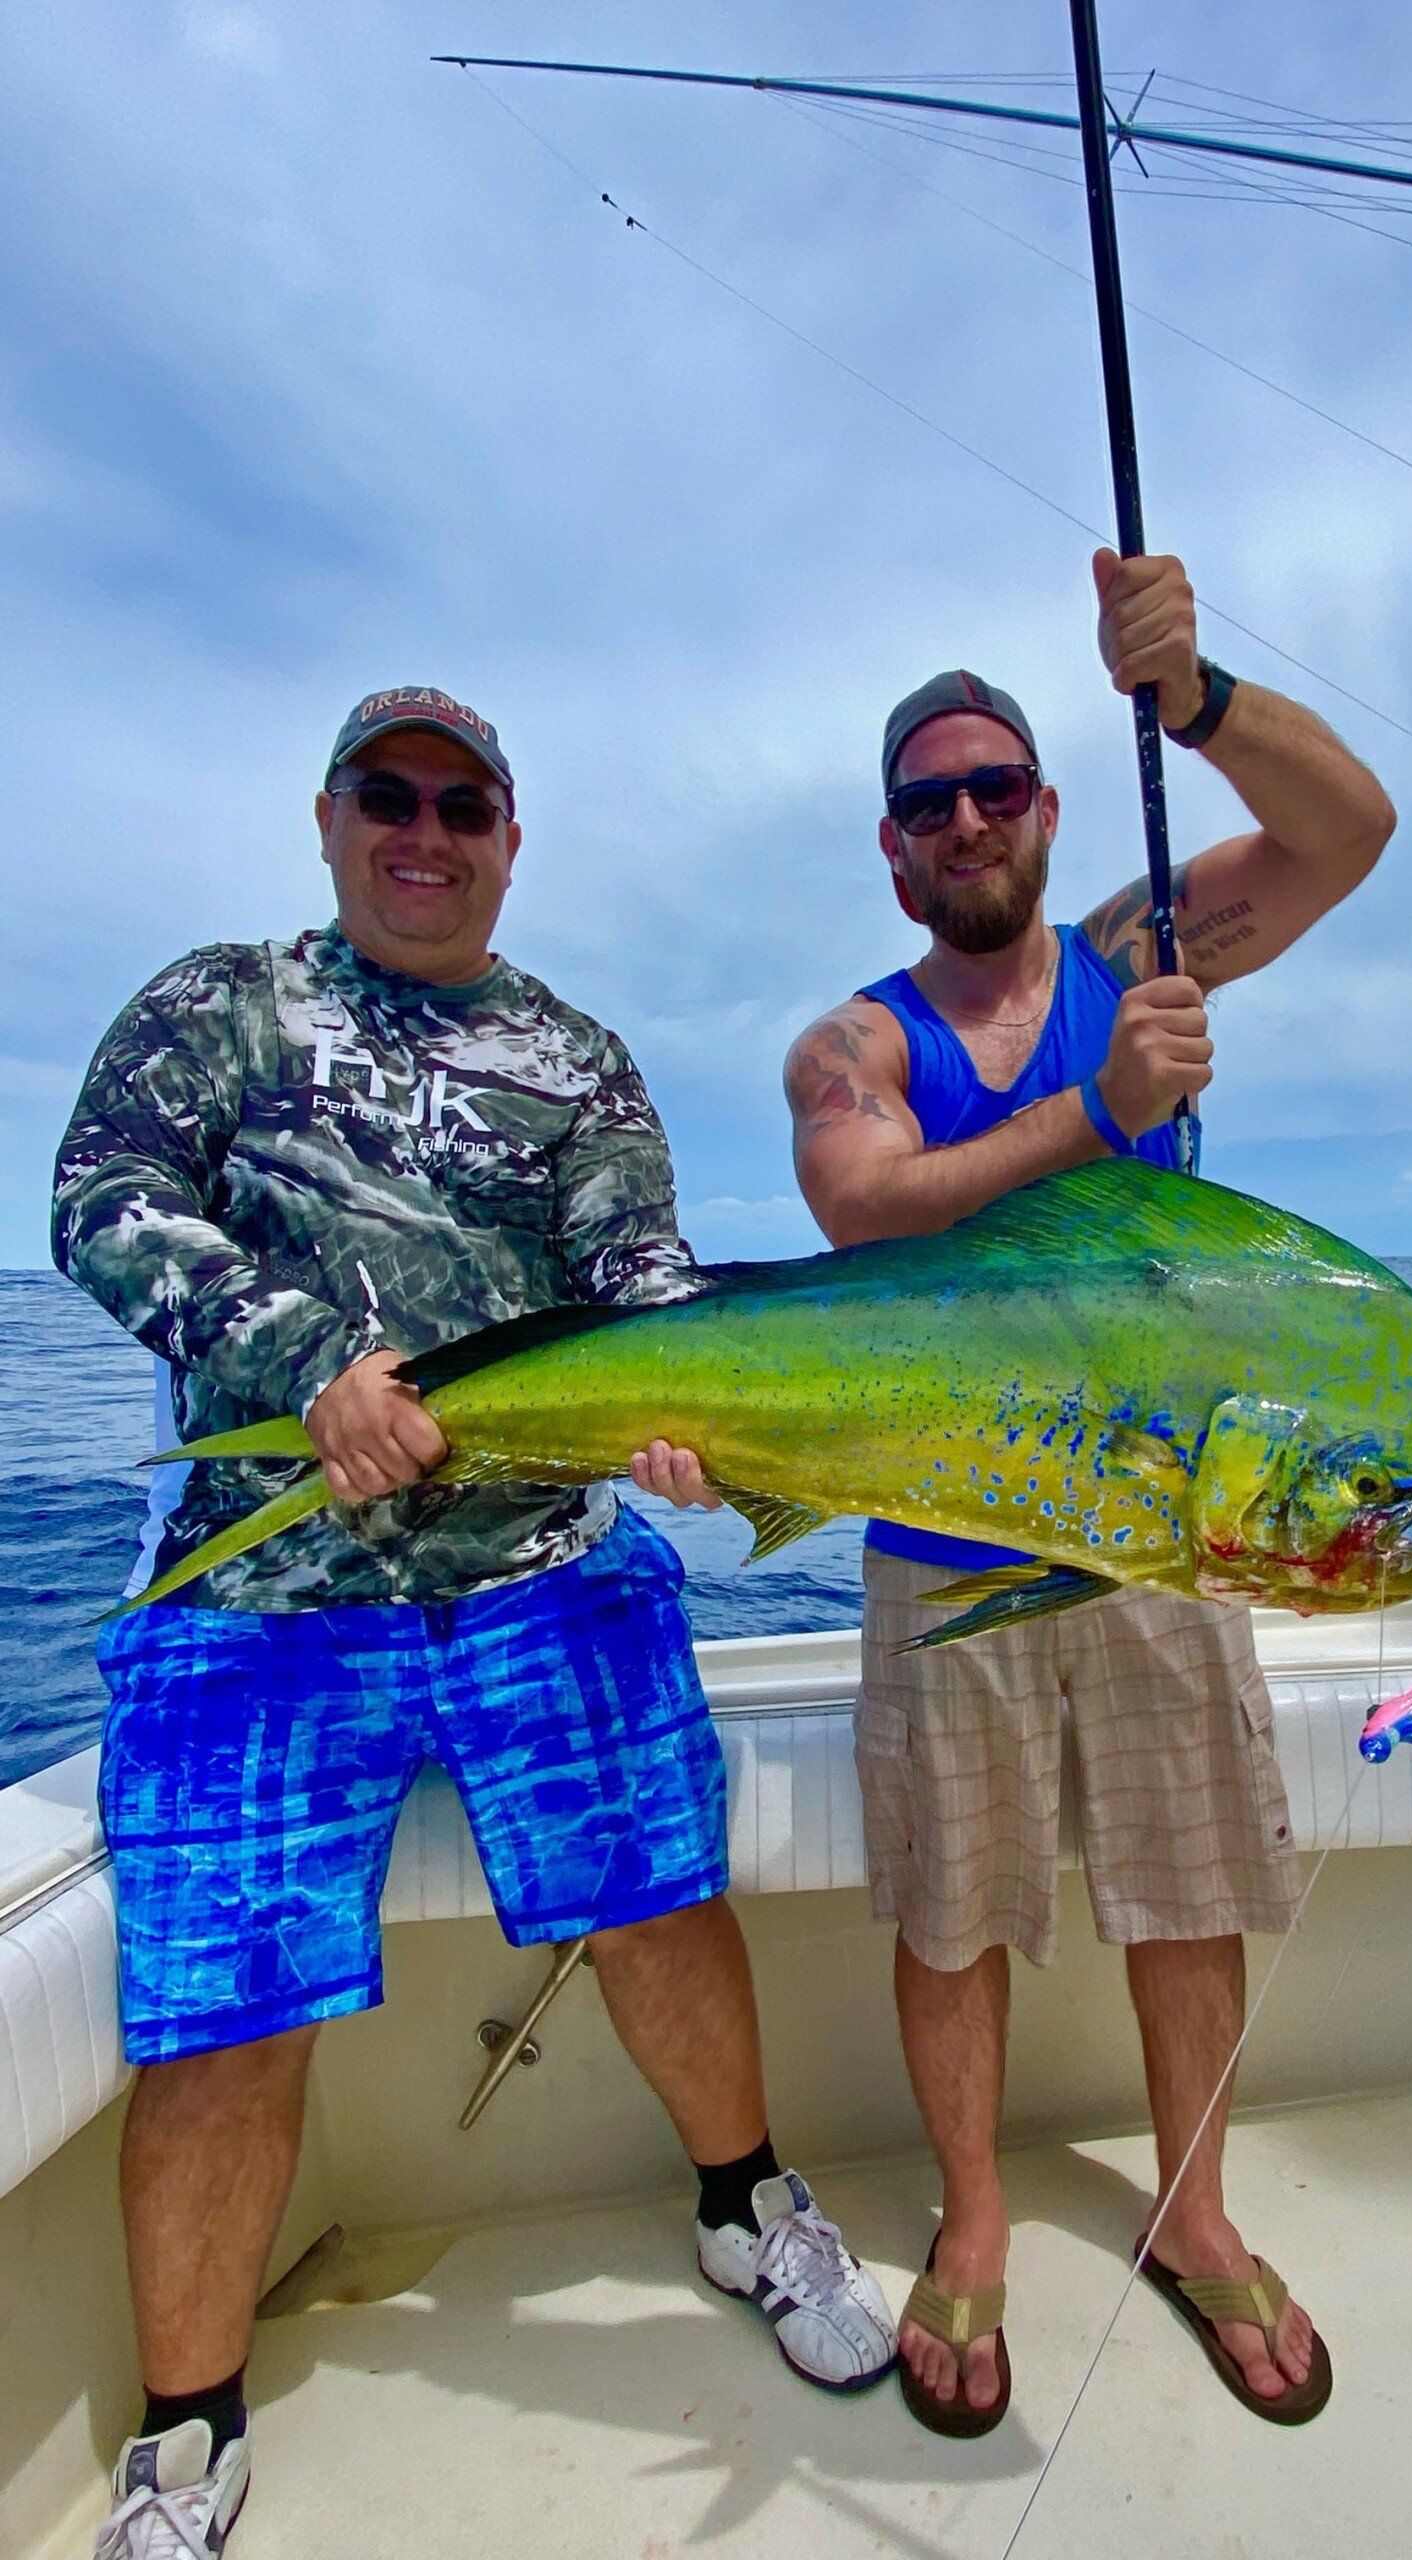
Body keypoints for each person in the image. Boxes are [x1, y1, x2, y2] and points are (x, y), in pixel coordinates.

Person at [54, 687, 894, 2560]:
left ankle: (743, 2207)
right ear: (333, 816)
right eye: (390, 797)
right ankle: (189, 2432)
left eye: (465, 804)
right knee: (223, 2012)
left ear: (512, 835)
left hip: (543, 1565)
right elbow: (101, 1200)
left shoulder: (578, 1057)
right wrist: (307, 1359)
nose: (424, 833)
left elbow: (642, 1281)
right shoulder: (216, 1007)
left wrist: (699, 1417)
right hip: (266, 1588)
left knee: (664, 1895)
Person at [781, 552, 1396, 2435]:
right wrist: (1101, 1114)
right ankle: (972, 2223)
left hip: (1154, 1529)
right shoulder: (856, 1043)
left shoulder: (1144, 950)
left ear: (1047, 810)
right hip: (943, 1550)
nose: (965, 820)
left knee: (1189, 1889)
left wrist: (1196, 694)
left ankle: (1192, 2214)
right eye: (927, 804)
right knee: (952, 1911)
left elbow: (1348, 832)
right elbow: (863, 1204)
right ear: (895, 857)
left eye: (995, 786)